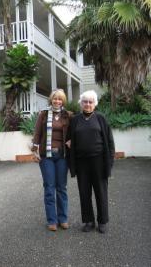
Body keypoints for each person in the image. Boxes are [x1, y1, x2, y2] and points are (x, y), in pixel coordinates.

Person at [67, 90, 115, 234]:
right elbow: (69, 139)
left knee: (101, 192)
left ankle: (102, 221)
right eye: (85, 102)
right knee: (84, 192)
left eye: (90, 102)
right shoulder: (75, 120)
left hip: (98, 161)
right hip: (82, 163)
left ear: (94, 104)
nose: (87, 104)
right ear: (81, 103)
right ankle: (88, 221)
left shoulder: (101, 118)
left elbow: (110, 142)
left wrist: (109, 163)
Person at [32, 89, 73, 231]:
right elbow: (37, 133)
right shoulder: (43, 114)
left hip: (62, 156)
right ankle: (52, 220)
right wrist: (34, 151)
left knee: (61, 188)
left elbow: (74, 131)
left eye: (60, 99)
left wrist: (72, 140)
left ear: (63, 101)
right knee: (49, 187)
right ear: (51, 100)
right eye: (55, 99)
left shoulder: (68, 115)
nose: (57, 101)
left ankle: (63, 219)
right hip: (46, 156)